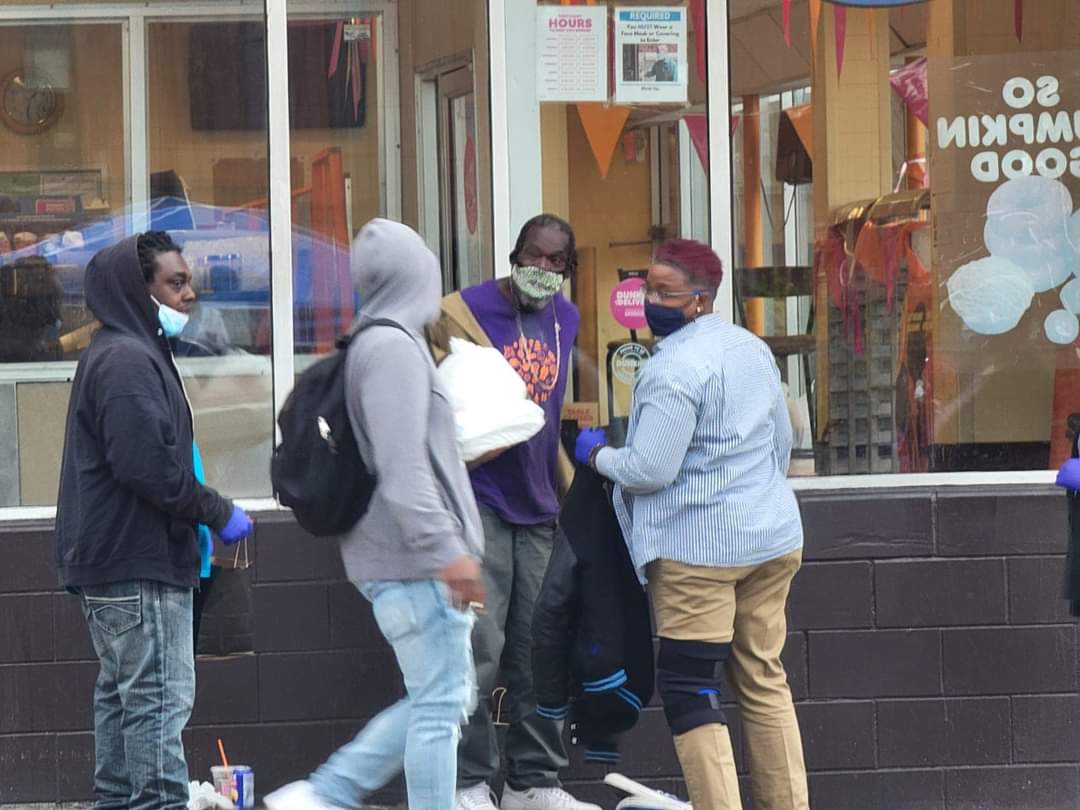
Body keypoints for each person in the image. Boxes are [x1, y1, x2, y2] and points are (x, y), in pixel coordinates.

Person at [576, 239, 809, 810]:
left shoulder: (670, 368)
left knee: (690, 689)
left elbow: (649, 470)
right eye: (648, 287)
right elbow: (781, 442)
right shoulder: (752, 349)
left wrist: (595, 455)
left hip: (697, 553)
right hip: (772, 539)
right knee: (763, 677)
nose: (650, 300)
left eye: (665, 292)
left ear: (701, 299)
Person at [265, 219, 485, 810]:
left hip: (402, 562)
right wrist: (448, 553)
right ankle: (326, 792)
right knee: (439, 706)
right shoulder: (392, 350)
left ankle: (322, 794)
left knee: (441, 698)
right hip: (415, 565)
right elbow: (402, 467)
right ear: (417, 275)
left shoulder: (376, 342)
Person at [55, 231, 253, 810]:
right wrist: (217, 511)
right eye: (175, 283)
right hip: (139, 566)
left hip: (120, 565)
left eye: (189, 281)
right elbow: (147, 466)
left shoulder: (125, 353)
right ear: (138, 292)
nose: (189, 294)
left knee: (125, 700)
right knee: (157, 702)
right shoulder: (126, 360)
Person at [427, 215, 596, 810]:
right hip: (481, 503)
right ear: (513, 254)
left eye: (556, 261)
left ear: (569, 268)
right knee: (479, 648)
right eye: (533, 255)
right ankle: (470, 781)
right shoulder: (461, 312)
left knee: (540, 651)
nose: (542, 269)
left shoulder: (566, 318)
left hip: (542, 506)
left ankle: (533, 783)